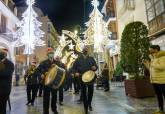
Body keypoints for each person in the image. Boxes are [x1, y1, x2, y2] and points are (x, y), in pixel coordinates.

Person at [33, 48, 62, 114]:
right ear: (47, 54)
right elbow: (37, 71)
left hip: (54, 82)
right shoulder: (43, 62)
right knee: (46, 97)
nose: (51, 54)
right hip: (46, 82)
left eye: (52, 53)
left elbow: (61, 70)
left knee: (54, 96)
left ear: (53, 54)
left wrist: (57, 66)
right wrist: (41, 74)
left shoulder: (57, 62)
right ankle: (46, 111)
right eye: (49, 53)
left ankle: (54, 109)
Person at [72, 46, 97, 114]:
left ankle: (89, 104)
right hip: (82, 77)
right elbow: (73, 68)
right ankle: (85, 107)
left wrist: (95, 67)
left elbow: (96, 66)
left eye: (87, 49)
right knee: (83, 93)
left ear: (88, 51)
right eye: (84, 49)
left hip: (90, 77)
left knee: (91, 92)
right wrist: (75, 72)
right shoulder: (78, 59)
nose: (86, 50)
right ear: (82, 51)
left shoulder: (91, 58)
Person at [143, 45, 165, 114]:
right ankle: (161, 110)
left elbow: (162, 67)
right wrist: (147, 65)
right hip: (154, 80)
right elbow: (151, 69)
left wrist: (151, 64)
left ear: (156, 49)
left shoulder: (162, 57)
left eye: (151, 49)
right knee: (158, 96)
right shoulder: (153, 58)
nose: (149, 51)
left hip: (162, 80)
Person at [0, 48, 14, 114]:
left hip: (4, 89)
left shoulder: (10, 64)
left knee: (2, 107)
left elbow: (6, 74)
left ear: (4, 55)